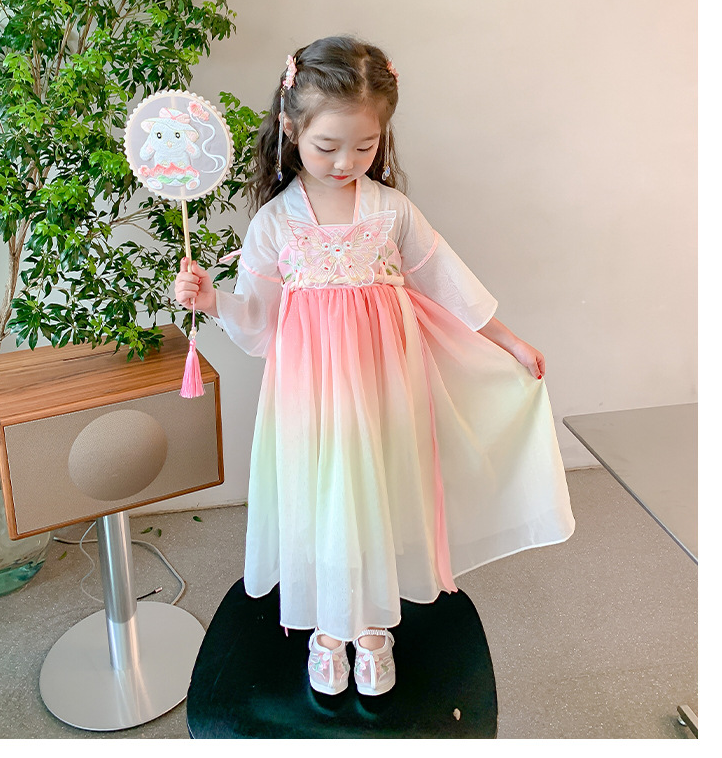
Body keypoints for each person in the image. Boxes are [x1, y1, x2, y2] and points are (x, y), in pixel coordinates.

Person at [175, 35, 575, 697]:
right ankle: (328, 629)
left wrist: (508, 341)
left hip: (385, 384)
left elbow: (447, 283)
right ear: (290, 129)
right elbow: (260, 321)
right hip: (310, 394)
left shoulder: (392, 211)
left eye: (364, 147)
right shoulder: (275, 223)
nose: (346, 162)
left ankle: (371, 628)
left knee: (378, 493)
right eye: (327, 146)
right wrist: (212, 300)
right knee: (322, 498)